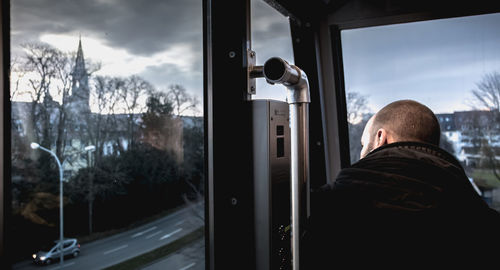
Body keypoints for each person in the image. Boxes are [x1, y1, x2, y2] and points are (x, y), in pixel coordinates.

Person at [303, 100, 500, 268]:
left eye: (363, 145)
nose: (361, 153)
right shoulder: (482, 221)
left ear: (380, 137)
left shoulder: (326, 208)